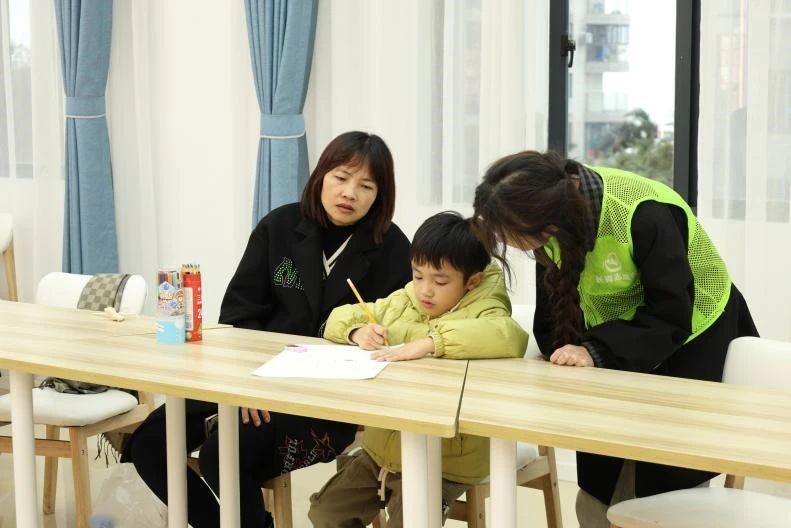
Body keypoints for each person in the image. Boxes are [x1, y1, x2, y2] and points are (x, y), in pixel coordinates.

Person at [123, 131, 413, 528]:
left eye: (366, 186)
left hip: (325, 401)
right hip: (254, 379)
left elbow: (397, 334)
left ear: (380, 195)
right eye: (341, 177)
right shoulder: (279, 226)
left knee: (222, 455)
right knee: (149, 443)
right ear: (321, 176)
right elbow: (239, 312)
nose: (350, 193)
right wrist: (247, 384)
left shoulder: (393, 249)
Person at [471, 150, 759, 528]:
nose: (507, 243)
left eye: (510, 234)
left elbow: (671, 314)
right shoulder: (553, 223)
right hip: (615, 330)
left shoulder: (644, 212)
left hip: (691, 328)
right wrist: (565, 350)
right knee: (600, 475)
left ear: (543, 218)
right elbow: (556, 306)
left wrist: (595, 350)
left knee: (666, 479)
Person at [308, 211, 529, 527]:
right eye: (418, 275)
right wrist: (357, 332)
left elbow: (508, 335)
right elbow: (338, 317)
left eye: (440, 281)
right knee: (326, 511)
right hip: (381, 451)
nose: (425, 289)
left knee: (411, 520)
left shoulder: (486, 307)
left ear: (472, 281)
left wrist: (430, 342)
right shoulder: (405, 299)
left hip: (447, 462)